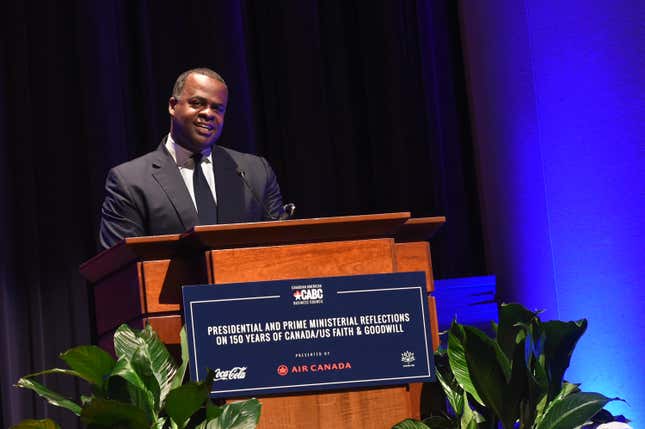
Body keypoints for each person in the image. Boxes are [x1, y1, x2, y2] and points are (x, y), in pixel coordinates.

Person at [99, 68, 284, 250]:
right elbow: (120, 268)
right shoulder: (130, 181)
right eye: (197, 103)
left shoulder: (255, 172)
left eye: (217, 108)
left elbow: (283, 249)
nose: (208, 113)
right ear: (172, 106)